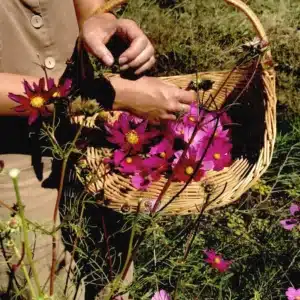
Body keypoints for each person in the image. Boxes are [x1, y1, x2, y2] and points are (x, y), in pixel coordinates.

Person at [0, 0, 196, 299]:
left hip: (87, 147)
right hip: (13, 166)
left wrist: (105, 23)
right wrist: (102, 95)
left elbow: (93, 8)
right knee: (46, 285)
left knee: (113, 281)